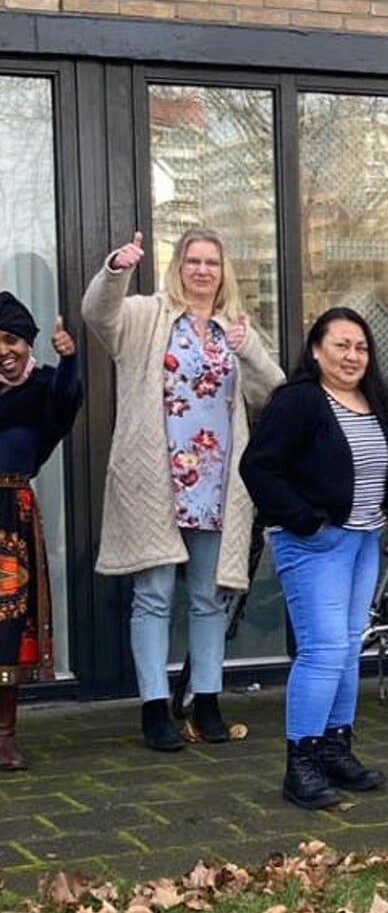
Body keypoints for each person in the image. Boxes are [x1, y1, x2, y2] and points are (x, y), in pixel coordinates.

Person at [82, 229, 284, 752]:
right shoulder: (146, 315)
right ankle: (154, 709)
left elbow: (275, 390)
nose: (201, 270)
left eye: (211, 262)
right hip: (157, 480)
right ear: (178, 267)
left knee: (208, 598)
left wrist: (251, 353)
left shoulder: (232, 327)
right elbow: (98, 314)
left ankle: (207, 703)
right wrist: (116, 270)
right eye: (192, 260)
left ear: (223, 270)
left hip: (218, 483)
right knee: (151, 595)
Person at [241, 308, 388, 810]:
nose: (353, 355)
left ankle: (337, 750)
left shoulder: (372, 400)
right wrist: (303, 519)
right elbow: (258, 467)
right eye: (341, 345)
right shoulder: (299, 401)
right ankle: (302, 765)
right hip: (314, 543)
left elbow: (381, 462)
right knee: (323, 649)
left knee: (347, 647)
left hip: (362, 542)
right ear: (316, 350)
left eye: (361, 347)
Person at [0, 294, 80, 771]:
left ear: (29, 345)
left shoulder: (45, 389)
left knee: (6, 625)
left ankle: (4, 736)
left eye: (11, 340)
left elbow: (68, 400)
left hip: (9, 515)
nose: (3, 351)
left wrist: (69, 358)